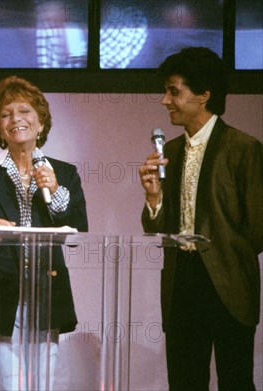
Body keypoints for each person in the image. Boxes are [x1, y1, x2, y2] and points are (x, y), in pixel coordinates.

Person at [0, 76, 88, 390]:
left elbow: (78, 233)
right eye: (6, 114)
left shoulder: (63, 173)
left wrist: (55, 190)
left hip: (46, 297)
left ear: (41, 124)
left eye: (24, 111)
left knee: (41, 386)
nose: (15, 120)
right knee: (6, 386)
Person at [139, 47, 263, 390]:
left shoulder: (243, 148)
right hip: (182, 284)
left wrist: (221, 250)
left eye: (174, 91)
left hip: (229, 284)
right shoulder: (172, 152)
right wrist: (153, 199)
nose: (166, 101)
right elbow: (157, 229)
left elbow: (257, 229)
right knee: (184, 383)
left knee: (236, 382)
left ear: (205, 95)